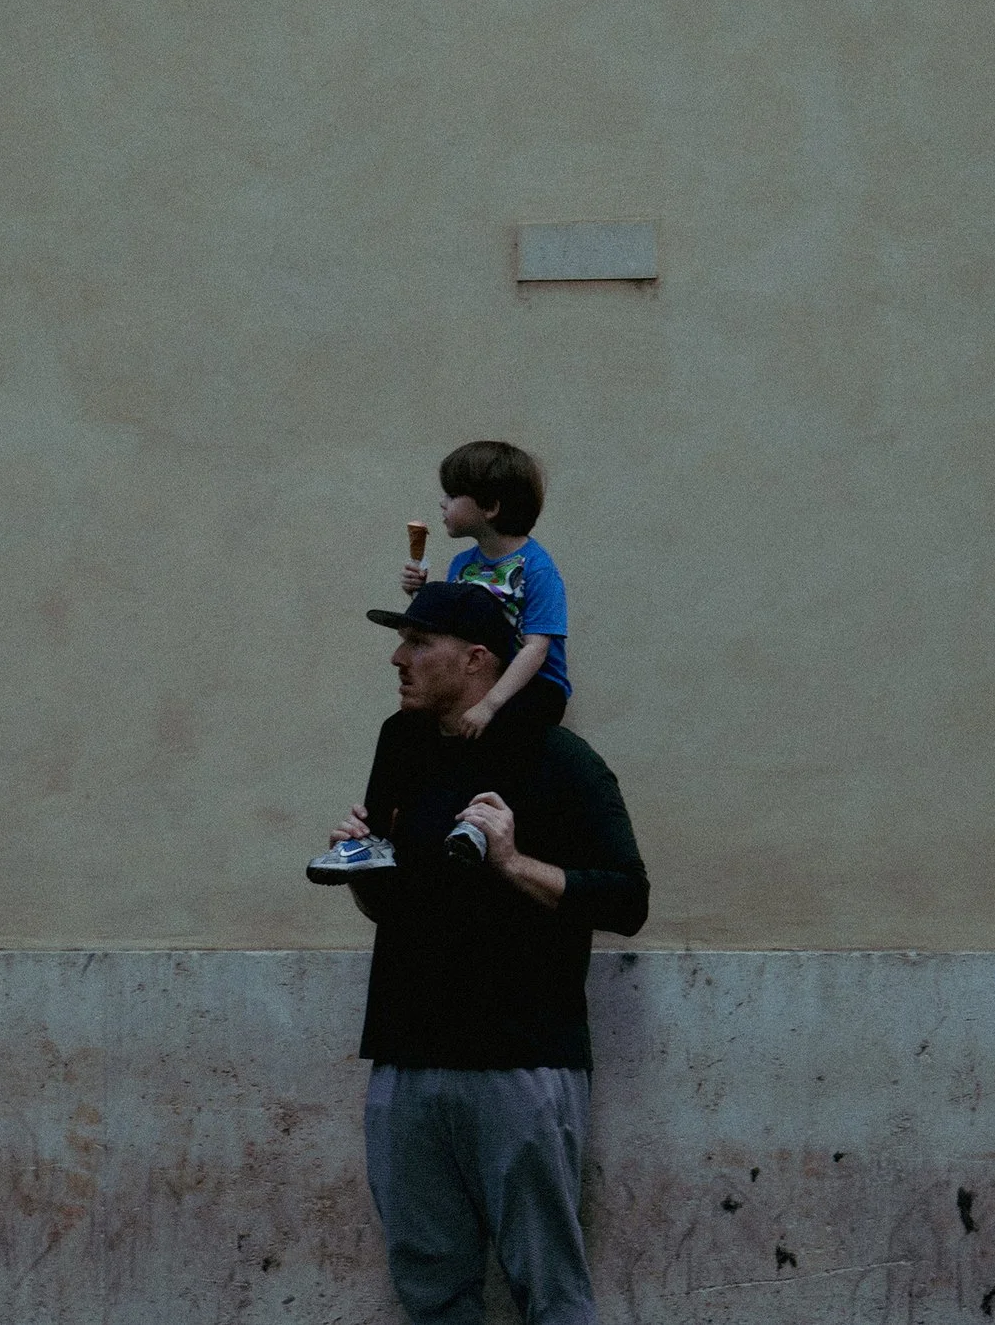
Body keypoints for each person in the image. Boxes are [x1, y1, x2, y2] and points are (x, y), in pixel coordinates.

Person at [323, 580, 649, 1325]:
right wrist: (358, 866)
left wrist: (513, 863)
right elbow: (390, 903)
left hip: (521, 1062)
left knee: (551, 1290)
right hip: (407, 1056)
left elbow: (628, 900)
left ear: (475, 660)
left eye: (417, 643)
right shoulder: (398, 743)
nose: (397, 659)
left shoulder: (559, 759)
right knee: (430, 1288)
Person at [401, 441, 570, 741]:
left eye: (453, 495)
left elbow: (536, 648)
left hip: (536, 686)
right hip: (484, 678)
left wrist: (489, 705)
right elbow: (455, 631)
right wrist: (422, 594)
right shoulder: (462, 564)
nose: (443, 503)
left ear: (490, 507)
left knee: (498, 732)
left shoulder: (537, 568)